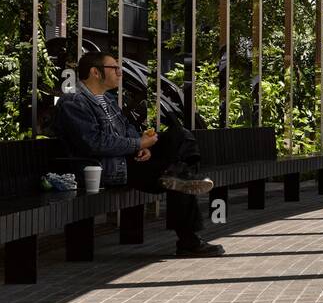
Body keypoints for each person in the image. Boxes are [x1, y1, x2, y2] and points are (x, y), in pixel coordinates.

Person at [52, 50, 224, 258]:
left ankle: (178, 176)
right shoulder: (73, 103)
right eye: (114, 68)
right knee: (179, 175)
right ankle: (188, 239)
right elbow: (94, 143)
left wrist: (141, 145)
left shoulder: (106, 100)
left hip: (129, 160)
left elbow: (127, 127)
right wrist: (136, 143)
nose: (120, 72)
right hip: (105, 169)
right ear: (95, 72)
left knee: (180, 135)